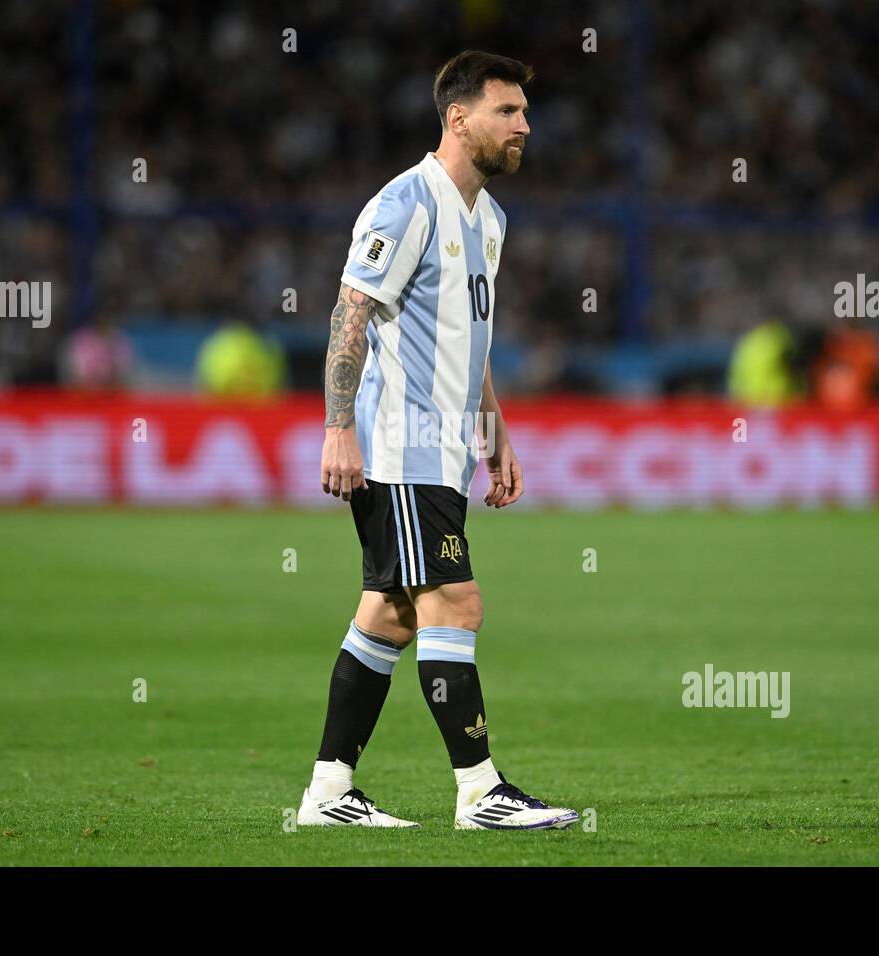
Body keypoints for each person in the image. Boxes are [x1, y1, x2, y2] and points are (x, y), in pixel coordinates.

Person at [298, 51, 579, 830]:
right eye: (508, 112)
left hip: (447, 452)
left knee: (388, 614)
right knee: (455, 602)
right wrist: (338, 428)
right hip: (399, 449)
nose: (525, 126)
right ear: (459, 118)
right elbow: (349, 315)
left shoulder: (489, 219)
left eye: (525, 113)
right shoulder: (405, 203)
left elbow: (471, 340)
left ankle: (329, 793)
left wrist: (495, 434)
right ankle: (480, 791)